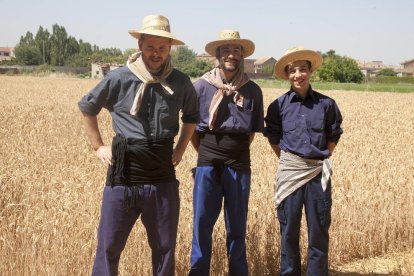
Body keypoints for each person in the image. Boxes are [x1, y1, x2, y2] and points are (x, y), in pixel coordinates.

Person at [78, 14, 198, 276]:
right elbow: (88, 107)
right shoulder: (120, 78)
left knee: (165, 247)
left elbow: (191, 117)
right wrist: (98, 146)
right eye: (151, 46)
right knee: (109, 247)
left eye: (162, 48)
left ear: (170, 49)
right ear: (140, 44)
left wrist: (180, 149)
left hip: (162, 176)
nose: (156, 53)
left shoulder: (180, 82)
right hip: (123, 176)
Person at [188, 30, 264, 276]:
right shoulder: (200, 86)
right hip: (207, 160)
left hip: (239, 162)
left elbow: (252, 130)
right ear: (218, 55)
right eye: (226, 50)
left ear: (242, 55)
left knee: (237, 227)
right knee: (201, 224)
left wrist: (234, 151)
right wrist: (208, 153)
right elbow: (191, 128)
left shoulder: (252, 90)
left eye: (236, 50)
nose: (231, 55)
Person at [264, 47, 343, 275]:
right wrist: (290, 161)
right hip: (290, 172)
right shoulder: (278, 106)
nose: (298, 75)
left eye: (302, 69)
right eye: (293, 70)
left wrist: (319, 158)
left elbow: (333, 134)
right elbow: (273, 136)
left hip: (318, 175)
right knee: (288, 231)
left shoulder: (326, 104)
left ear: (310, 72)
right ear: (287, 74)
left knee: (318, 231)